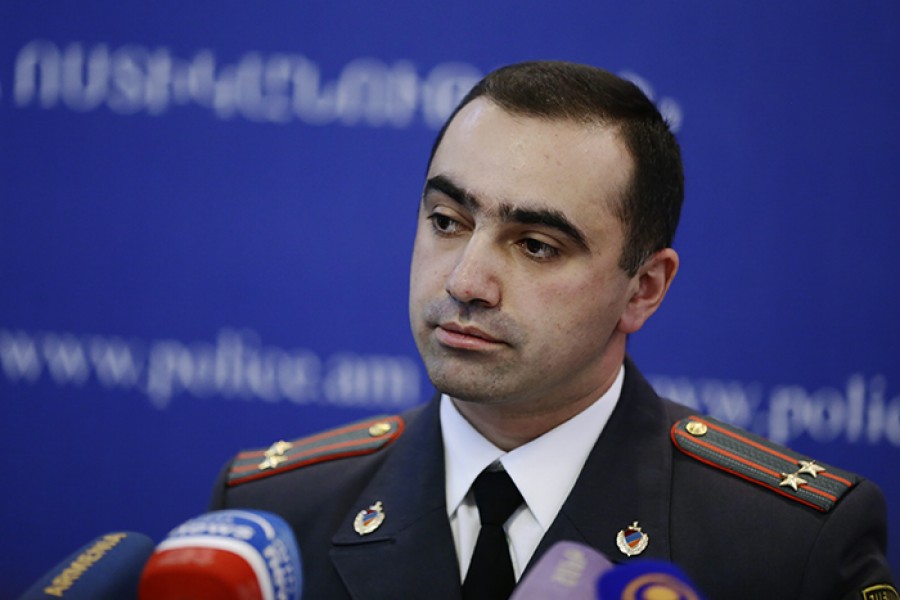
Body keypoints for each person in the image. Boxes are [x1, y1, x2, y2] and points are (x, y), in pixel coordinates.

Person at [210, 61, 896, 599]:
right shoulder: (270, 520)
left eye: (536, 245)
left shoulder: (790, 547)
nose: (465, 282)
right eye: (447, 222)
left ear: (643, 289)